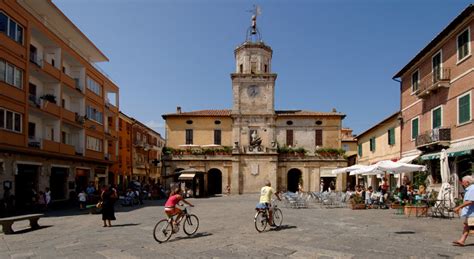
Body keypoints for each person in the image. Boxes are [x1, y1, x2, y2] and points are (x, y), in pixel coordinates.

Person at [452, 175, 474, 247]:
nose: (462, 183)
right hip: (470, 212)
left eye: (463, 182)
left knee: (472, 227)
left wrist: (458, 207)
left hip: (472, 212)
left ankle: (462, 240)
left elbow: (471, 201)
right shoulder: (469, 189)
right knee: (466, 226)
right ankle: (462, 240)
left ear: (467, 182)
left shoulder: (472, 189)